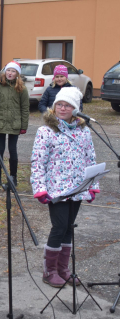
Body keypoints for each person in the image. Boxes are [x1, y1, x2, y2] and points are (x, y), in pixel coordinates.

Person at [30, 87, 99, 288]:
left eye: (67, 105)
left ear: (75, 109)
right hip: (56, 190)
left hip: (78, 188)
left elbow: (91, 159)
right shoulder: (46, 131)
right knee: (59, 227)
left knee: (69, 228)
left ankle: (63, 269)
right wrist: (39, 188)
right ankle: (49, 271)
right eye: (59, 104)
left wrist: (93, 185)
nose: (62, 108)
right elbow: (37, 162)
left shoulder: (84, 131)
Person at [0, 61, 30, 186]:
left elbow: (25, 108)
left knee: (12, 150)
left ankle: (13, 178)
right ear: (4, 72)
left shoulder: (22, 89)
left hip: (14, 124)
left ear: (17, 74)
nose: (10, 73)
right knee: (0, 149)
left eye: (13, 71)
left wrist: (24, 125)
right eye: (8, 70)